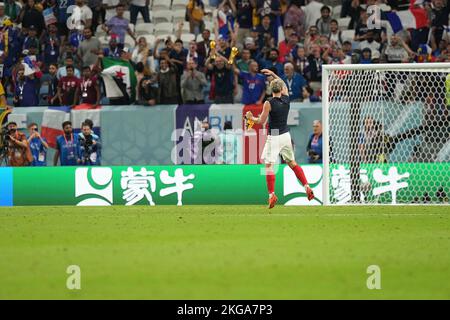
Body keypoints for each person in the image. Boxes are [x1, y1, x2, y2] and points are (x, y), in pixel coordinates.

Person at [245, 69, 314, 209]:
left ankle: (271, 195)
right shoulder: (286, 98)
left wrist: (250, 117)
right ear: (282, 89)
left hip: (274, 136)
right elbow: (283, 84)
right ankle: (306, 185)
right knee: (292, 163)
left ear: (271, 89)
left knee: (269, 166)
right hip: (286, 135)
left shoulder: (268, 103)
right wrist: (273, 74)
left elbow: (261, 121)